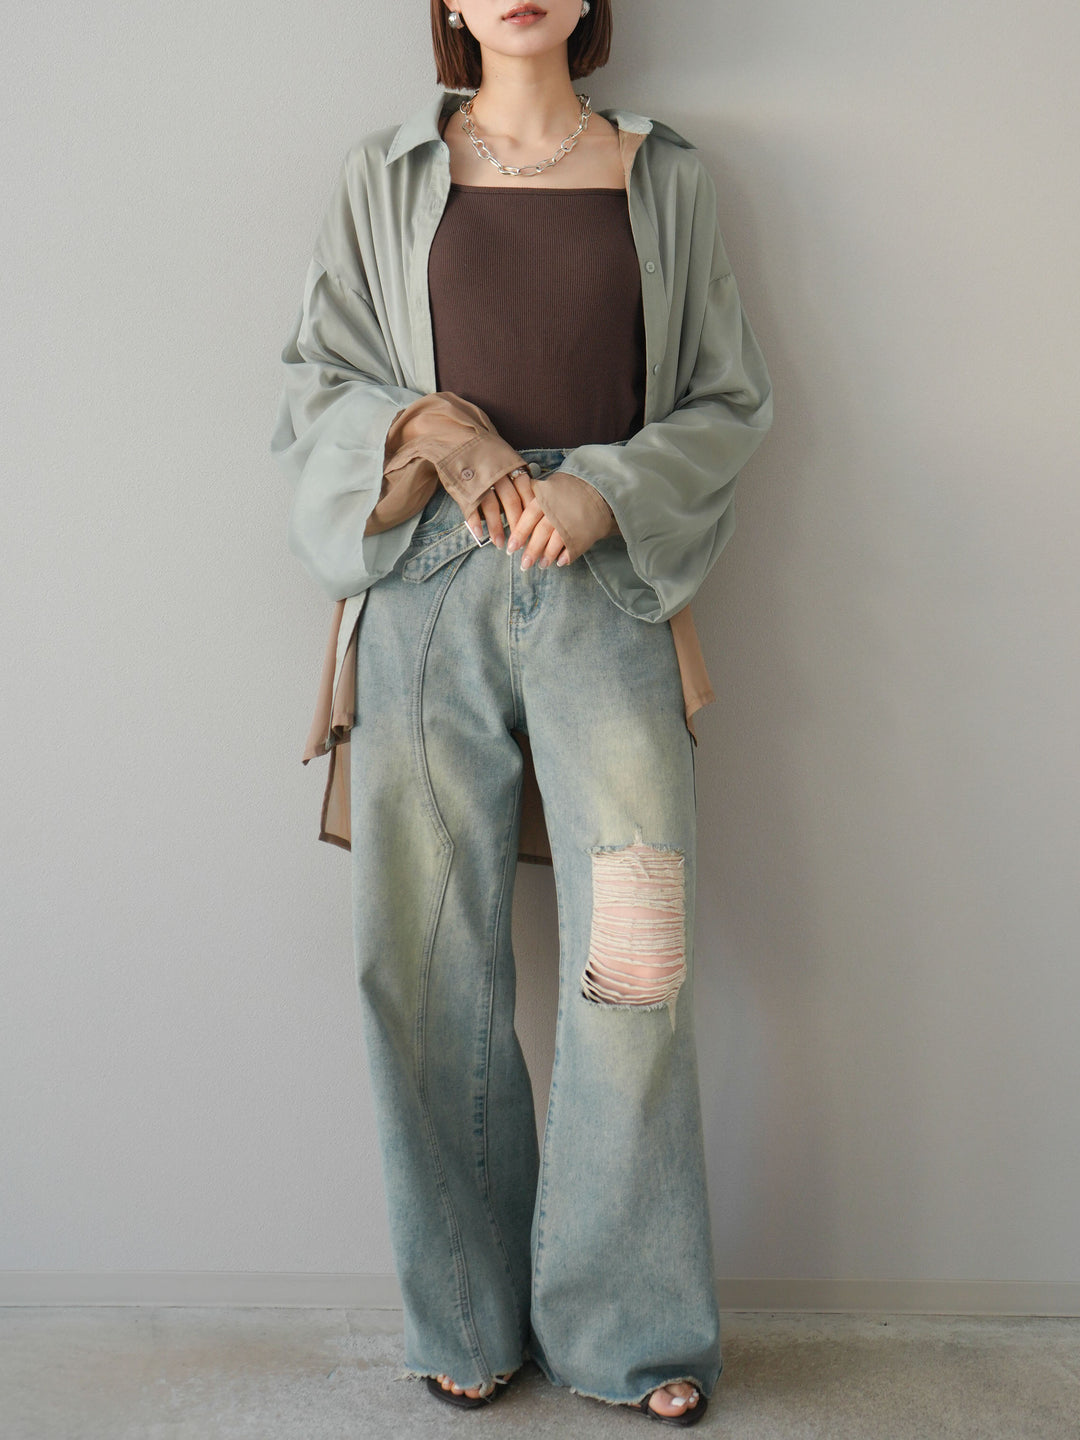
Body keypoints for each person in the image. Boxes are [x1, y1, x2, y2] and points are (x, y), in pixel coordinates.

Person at [270, 0, 773, 1425]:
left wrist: (599, 490)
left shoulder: (664, 174)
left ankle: (630, 1333)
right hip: (426, 589)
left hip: (608, 590)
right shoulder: (385, 174)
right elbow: (314, 389)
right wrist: (436, 429)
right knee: (426, 961)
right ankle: (465, 1314)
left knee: (634, 964)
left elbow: (728, 402)